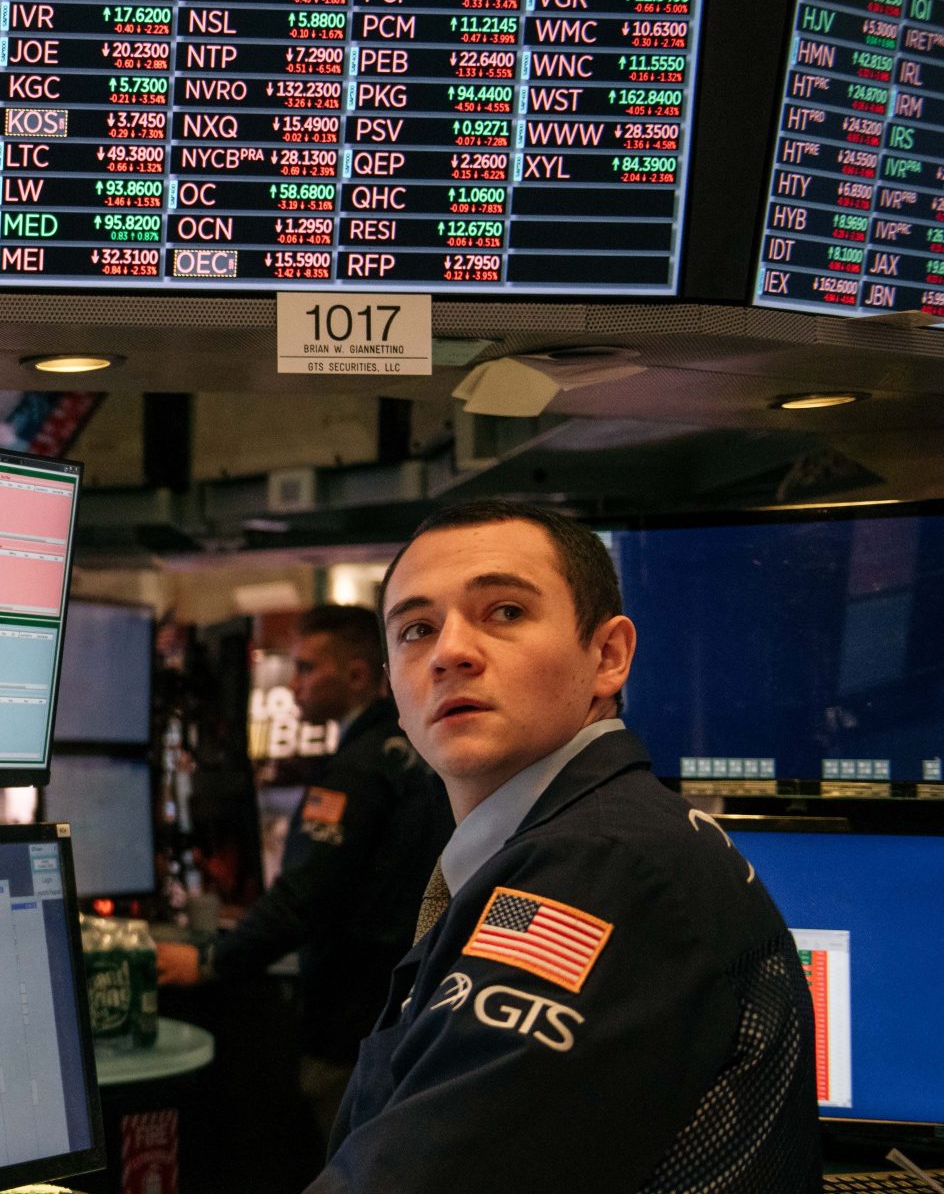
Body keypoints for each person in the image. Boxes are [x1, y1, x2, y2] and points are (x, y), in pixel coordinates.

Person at [310, 500, 817, 1192]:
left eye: (506, 612)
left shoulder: (598, 865)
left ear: (608, 656)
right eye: (416, 630)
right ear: (392, 684)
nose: (450, 652)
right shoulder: (583, 838)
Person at [156, 604, 451, 1139]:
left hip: (350, 1023)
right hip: (408, 1012)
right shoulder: (419, 754)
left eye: (307, 669)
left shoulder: (357, 771)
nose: (294, 685)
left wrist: (209, 961)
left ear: (358, 675)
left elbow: (304, 895)